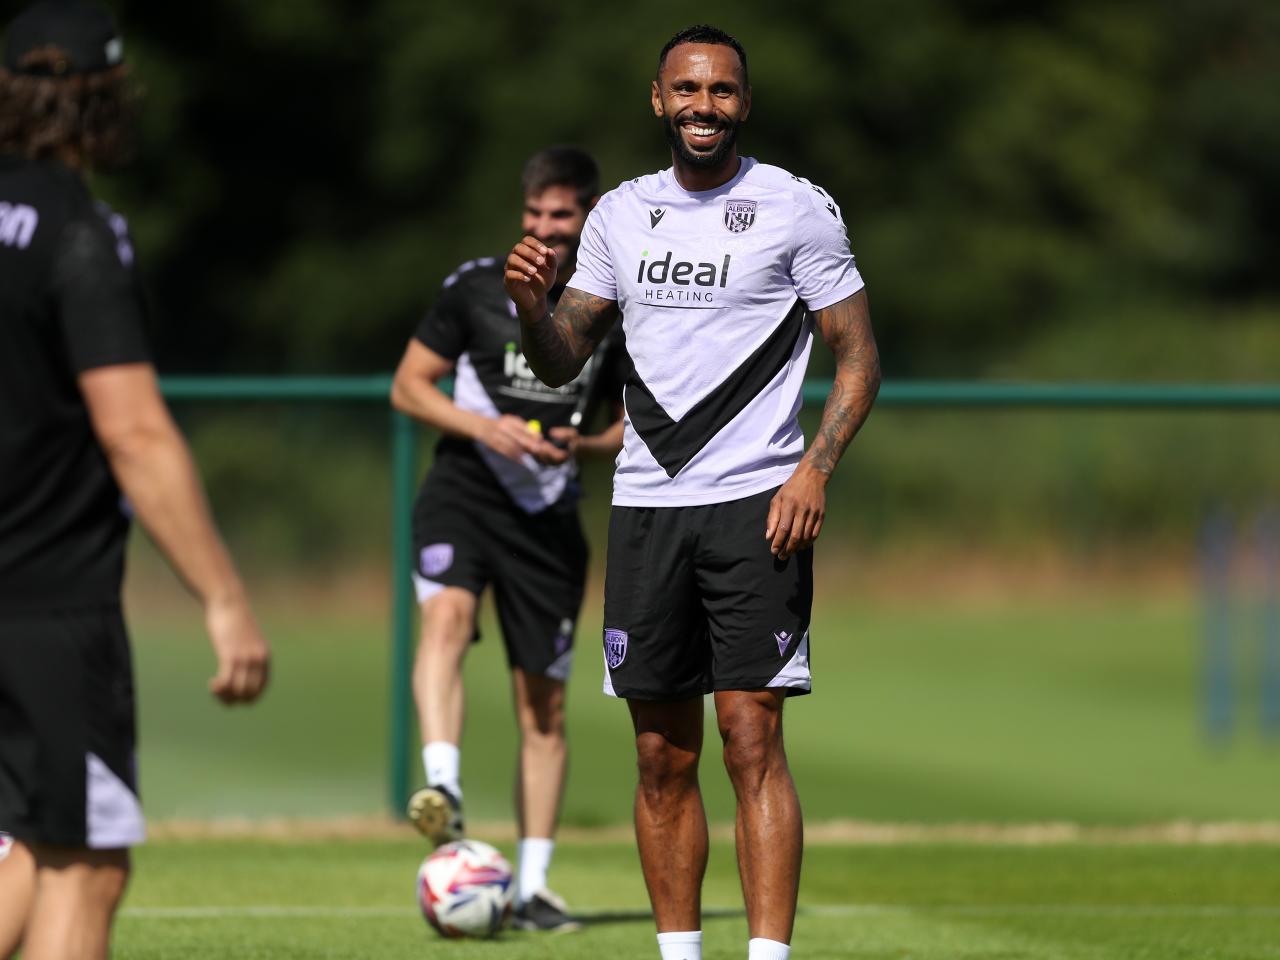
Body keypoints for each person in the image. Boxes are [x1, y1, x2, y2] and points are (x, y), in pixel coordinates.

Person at [505, 24, 881, 960]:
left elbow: (859, 355)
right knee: (658, 757)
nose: (702, 106)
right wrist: (529, 304)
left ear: (743, 104)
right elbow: (559, 363)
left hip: (759, 506)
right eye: (686, 90)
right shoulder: (620, 217)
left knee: (750, 739)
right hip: (647, 508)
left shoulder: (797, 208)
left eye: (720, 92)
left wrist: (815, 468)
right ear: (658, 100)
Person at [0, 3, 271, 958]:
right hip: (47, 608)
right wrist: (226, 597)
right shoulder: (79, 233)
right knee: (86, 860)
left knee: (31, 847)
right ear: (107, 101)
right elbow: (136, 433)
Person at [390, 145, 626, 932]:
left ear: (588, 218)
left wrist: (582, 447)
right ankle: (444, 786)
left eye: (561, 216)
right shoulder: (473, 288)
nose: (545, 229)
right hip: (463, 490)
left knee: (545, 708)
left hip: (549, 520)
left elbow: (634, 427)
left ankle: (530, 888)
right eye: (534, 216)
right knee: (446, 621)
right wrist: (485, 427)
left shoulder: (611, 307)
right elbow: (408, 386)